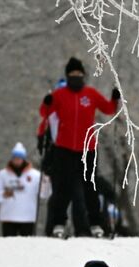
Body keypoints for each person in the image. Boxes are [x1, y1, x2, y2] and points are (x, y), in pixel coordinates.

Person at [39, 57, 118, 237]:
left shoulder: (90, 94)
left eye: (79, 74)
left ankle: (95, 223)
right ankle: (59, 222)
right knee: (63, 188)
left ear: (83, 75)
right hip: (64, 148)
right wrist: (47, 102)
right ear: (67, 76)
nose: (76, 77)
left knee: (90, 187)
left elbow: (108, 109)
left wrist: (115, 99)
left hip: (87, 149)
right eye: (72, 74)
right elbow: (44, 113)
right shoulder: (60, 95)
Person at [0, 142, 50, 236]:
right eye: (15, 158)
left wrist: (46, 182)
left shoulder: (35, 175)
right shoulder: (3, 174)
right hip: (8, 217)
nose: (17, 160)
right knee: (8, 244)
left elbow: (44, 194)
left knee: (26, 246)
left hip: (28, 218)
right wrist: (3, 194)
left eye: (19, 158)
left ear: (23, 159)